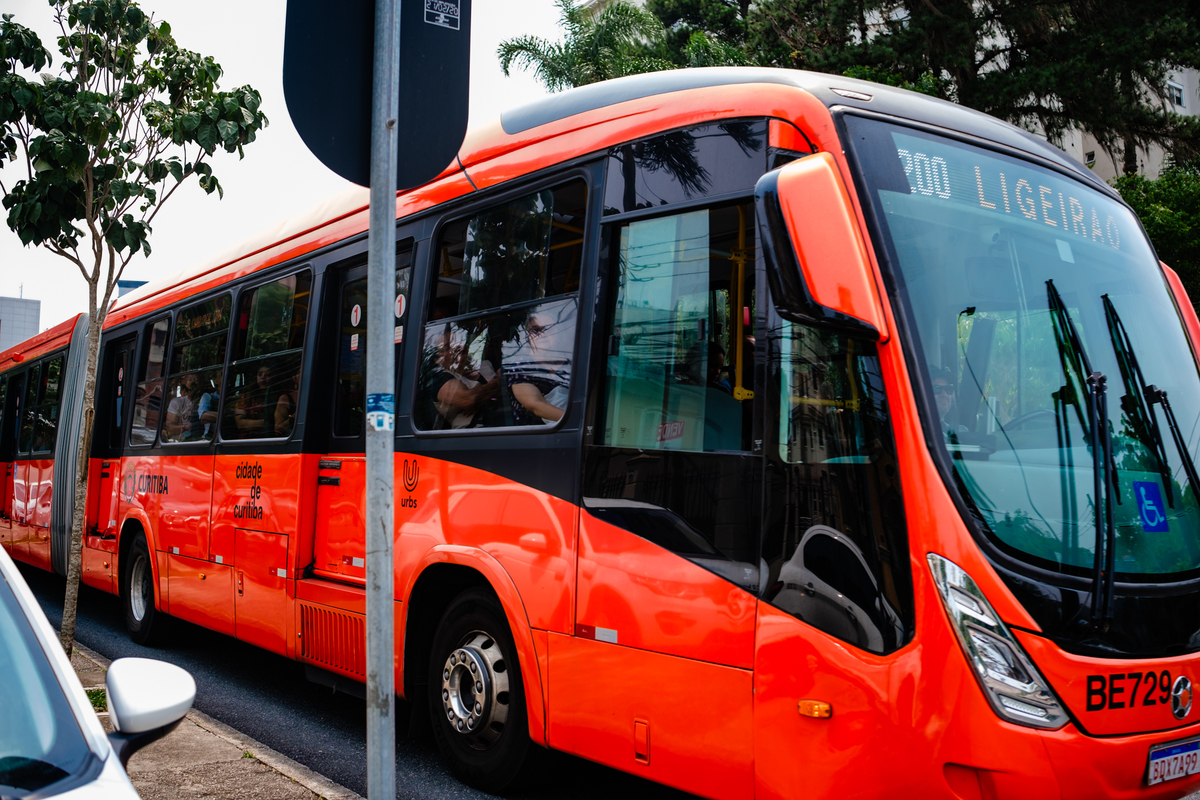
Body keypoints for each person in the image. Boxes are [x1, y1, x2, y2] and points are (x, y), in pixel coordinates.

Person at [507, 309, 571, 425]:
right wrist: (576, 420)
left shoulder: (571, 364)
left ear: (559, 332)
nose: (541, 334)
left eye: (548, 329)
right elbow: (536, 405)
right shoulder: (521, 366)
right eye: (535, 330)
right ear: (528, 336)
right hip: (537, 434)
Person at [931, 366, 960, 439]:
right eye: (937, 389)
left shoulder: (957, 433)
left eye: (948, 389)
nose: (944, 394)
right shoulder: (914, 431)